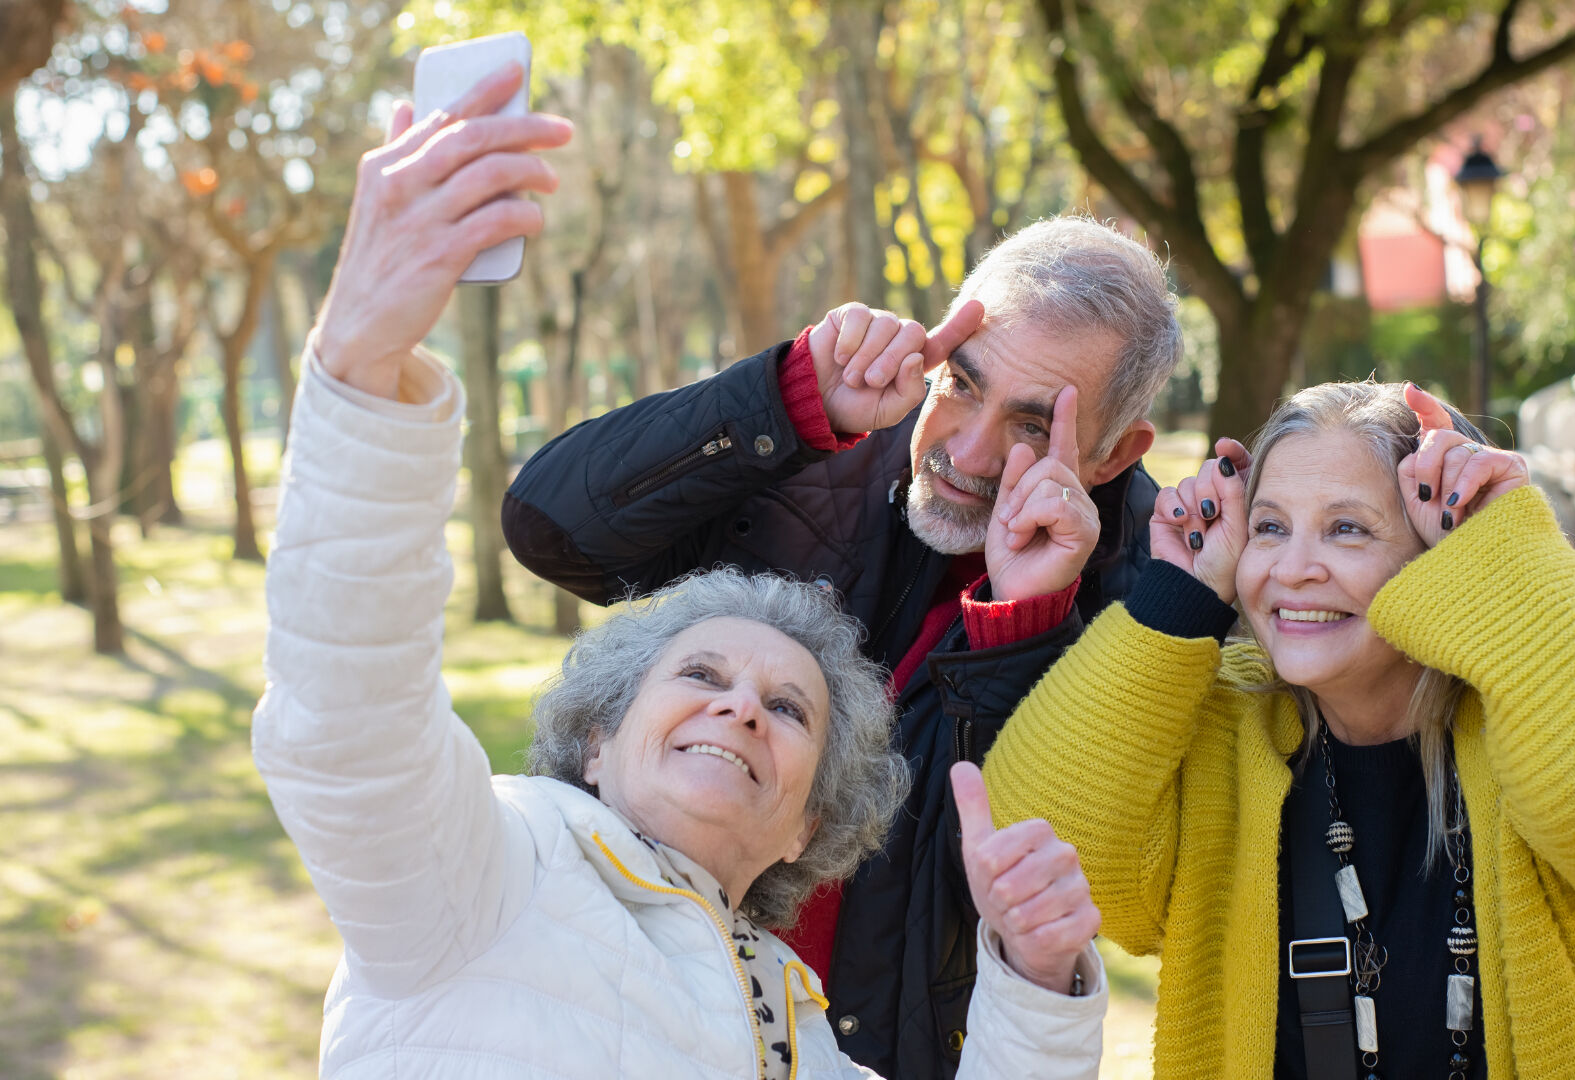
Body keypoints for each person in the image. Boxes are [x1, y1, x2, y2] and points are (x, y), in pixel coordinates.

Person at [254, 62, 1109, 1079]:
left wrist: (1037, 981)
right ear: (596, 742)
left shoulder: (797, 1035)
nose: (741, 708)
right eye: (701, 674)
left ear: (807, 827)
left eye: (788, 710)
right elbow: (345, 721)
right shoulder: (487, 877)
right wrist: (360, 364)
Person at [502, 162, 1180, 1076]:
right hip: (642, 1015)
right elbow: (551, 530)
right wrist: (786, 397)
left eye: (1031, 426)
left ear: (1116, 454)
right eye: (962, 382)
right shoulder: (821, 441)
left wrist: (1021, 622)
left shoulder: (1151, 596)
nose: (968, 450)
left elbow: (1017, 871)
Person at [983, 380, 1575, 1079]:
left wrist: (1507, 547)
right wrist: (1177, 597)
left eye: (1346, 529)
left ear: (1441, 551)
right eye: (1270, 527)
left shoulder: (1538, 719)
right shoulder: (1221, 729)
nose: (1294, 568)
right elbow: (1039, 836)